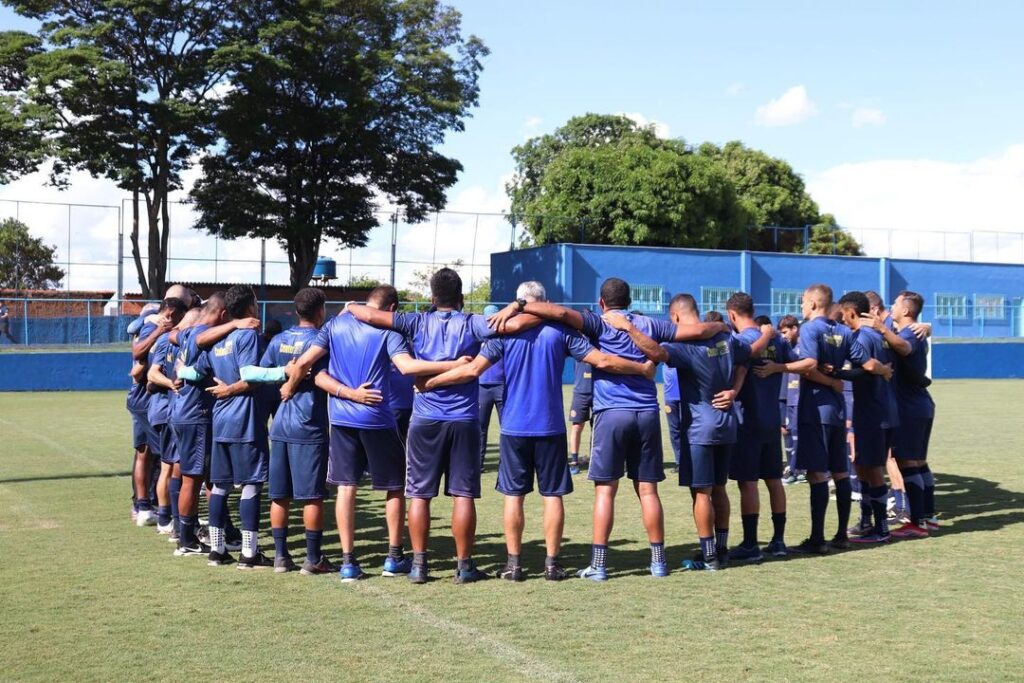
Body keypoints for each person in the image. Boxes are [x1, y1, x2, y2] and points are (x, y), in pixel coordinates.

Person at [488, 277, 729, 580]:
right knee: (648, 490)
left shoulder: (597, 323)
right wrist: (718, 327)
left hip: (609, 413)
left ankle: (599, 566)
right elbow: (694, 331)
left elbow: (562, 314)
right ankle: (658, 562)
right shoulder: (650, 324)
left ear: (602, 302)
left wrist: (519, 305)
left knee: (606, 491)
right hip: (646, 412)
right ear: (628, 300)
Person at [422, 280, 655, 582]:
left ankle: (514, 565)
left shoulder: (504, 332)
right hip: (550, 426)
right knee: (552, 495)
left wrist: (428, 384)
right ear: (545, 303)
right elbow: (603, 360)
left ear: (519, 302)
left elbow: (472, 370)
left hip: (514, 425)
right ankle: (551, 564)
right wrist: (642, 369)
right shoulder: (561, 332)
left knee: (513, 496)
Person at [344, 270, 527, 584]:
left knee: (419, 495)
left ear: (432, 298)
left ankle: (418, 565)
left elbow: (371, 316)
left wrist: (350, 307)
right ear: (460, 297)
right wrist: (515, 306)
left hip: (425, 418)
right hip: (464, 419)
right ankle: (465, 566)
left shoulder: (416, 321)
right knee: (463, 495)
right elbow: (512, 326)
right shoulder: (472, 322)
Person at [284, 285, 469, 582]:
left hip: (342, 419)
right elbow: (407, 368)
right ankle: (394, 557)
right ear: (392, 309)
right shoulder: (388, 330)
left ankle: (348, 562)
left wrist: (290, 388)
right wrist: (453, 364)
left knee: (346, 487)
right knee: (395, 487)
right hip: (377, 418)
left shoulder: (334, 324)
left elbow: (306, 365)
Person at [607, 294, 770, 571]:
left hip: (700, 428)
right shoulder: (727, 338)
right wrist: (734, 389)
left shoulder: (683, 346)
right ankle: (722, 549)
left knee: (702, 493)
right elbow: (749, 356)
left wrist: (628, 328)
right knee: (720, 488)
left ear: (675, 318)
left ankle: (708, 556)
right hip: (726, 424)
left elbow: (656, 354)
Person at [754, 284, 890, 554]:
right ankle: (840, 535)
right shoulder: (843, 332)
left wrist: (776, 368)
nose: (801, 307)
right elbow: (865, 365)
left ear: (815, 304)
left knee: (817, 474)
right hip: (838, 410)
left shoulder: (810, 329)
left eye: (803, 302)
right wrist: (875, 371)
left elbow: (808, 365)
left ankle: (817, 539)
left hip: (815, 409)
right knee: (839, 472)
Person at [245, 288, 335, 575]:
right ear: (320, 310)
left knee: (279, 494)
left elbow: (255, 373)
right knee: (312, 495)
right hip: (309, 424)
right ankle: (313, 558)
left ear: (296, 311)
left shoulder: (279, 339)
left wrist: (283, 375)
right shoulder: (322, 341)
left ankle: (281, 557)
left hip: (281, 423)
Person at [185, 285, 272, 569]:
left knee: (220, 485)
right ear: (249, 307)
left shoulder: (215, 341)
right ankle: (249, 553)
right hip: (244, 419)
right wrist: (287, 372)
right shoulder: (248, 335)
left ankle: (217, 549)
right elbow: (251, 376)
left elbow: (194, 371)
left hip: (220, 419)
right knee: (251, 484)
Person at [727, 298, 798, 561]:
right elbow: (800, 362)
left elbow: (742, 361)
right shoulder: (777, 339)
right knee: (774, 480)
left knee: (748, 483)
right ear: (753, 312)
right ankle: (779, 541)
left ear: (732, 314)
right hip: (771, 420)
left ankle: (749, 544)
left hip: (747, 421)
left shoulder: (740, 340)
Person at [868, 291, 937, 537]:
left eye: (896, 303)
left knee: (908, 463)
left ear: (906, 310)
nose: (892, 306)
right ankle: (928, 517)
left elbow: (905, 348)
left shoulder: (910, 333)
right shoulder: (914, 330)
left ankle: (917, 523)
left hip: (909, 407)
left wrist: (882, 329)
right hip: (920, 405)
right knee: (918, 463)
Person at [834, 292, 899, 544]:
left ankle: (881, 528)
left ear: (851, 313)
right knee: (862, 464)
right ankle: (867, 520)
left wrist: (837, 372)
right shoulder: (879, 337)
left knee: (872, 468)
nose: (841, 319)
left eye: (842, 314)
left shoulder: (861, 337)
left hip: (873, 412)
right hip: (882, 410)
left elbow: (866, 371)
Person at [169, 295, 227, 557]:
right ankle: (187, 539)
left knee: (195, 477)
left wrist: (181, 369)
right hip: (197, 414)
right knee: (192, 479)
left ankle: (190, 534)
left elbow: (174, 336)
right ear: (223, 314)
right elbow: (202, 367)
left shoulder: (187, 333)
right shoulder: (205, 337)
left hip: (182, 412)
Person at [145, 297, 189, 540]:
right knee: (171, 466)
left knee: (168, 465)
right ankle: (168, 519)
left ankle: (168, 518)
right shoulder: (165, 339)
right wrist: (172, 384)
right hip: (165, 410)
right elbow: (152, 374)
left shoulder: (166, 337)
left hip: (164, 408)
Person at [777, 315, 804, 485]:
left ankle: (795, 470)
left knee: (797, 433)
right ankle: (795, 468)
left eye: (785, 331)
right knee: (788, 431)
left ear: (795, 329)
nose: (783, 335)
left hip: (799, 396)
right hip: (788, 395)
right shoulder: (788, 347)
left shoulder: (804, 347)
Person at [478, 304, 505, 465]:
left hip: (502, 386)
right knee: (480, 428)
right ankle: (479, 463)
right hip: (482, 387)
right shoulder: (478, 337)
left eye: (494, 316)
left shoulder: (505, 337)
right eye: (488, 317)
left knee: (506, 427)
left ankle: (506, 463)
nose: (491, 321)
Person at [568, 354, 593, 475]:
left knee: (598, 428)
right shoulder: (577, 340)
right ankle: (574, 461)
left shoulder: (601, 341)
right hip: (580, 392)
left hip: (599, 391)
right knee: (577, 426)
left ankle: (595, 460)